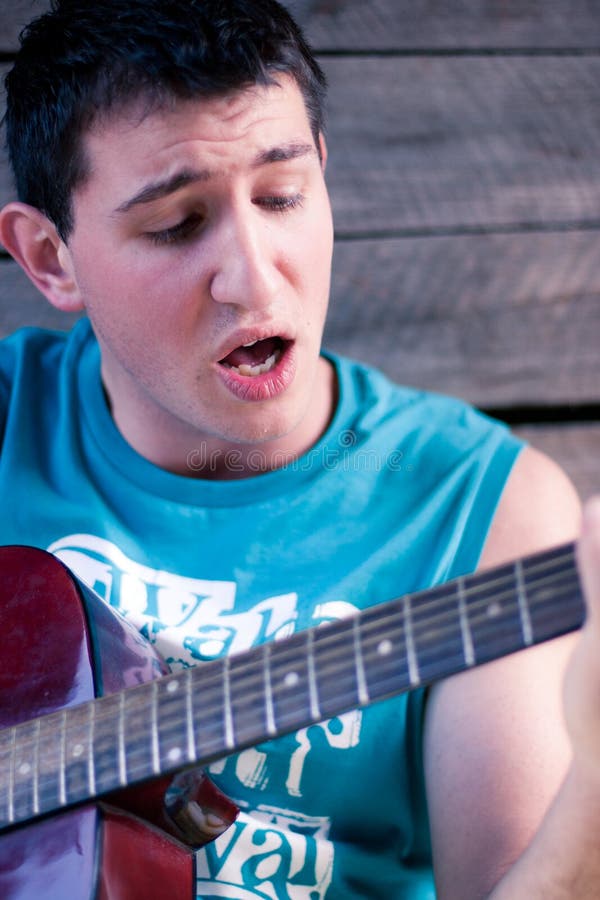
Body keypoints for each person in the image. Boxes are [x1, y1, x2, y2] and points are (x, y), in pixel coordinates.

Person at [0, 0, 597, 896]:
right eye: (175, 224)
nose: (254, 273)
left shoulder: (482, 510)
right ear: (51, 258)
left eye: (282, 197)